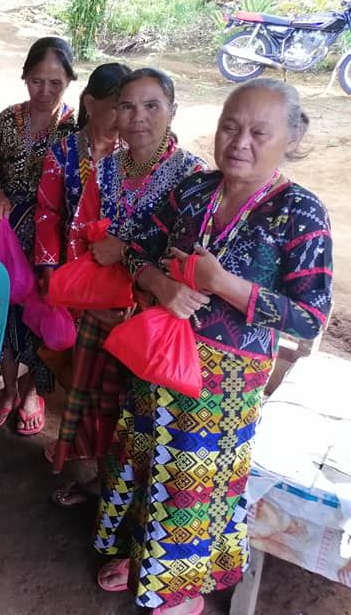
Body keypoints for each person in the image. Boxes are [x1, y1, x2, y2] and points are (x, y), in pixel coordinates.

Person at [94, 79, 333, 615]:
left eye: (258, 133)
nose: (240, 142)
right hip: (159, 359)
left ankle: (181, 592)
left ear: (291, 138)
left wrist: (224, 284)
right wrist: (161, 285)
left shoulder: (300, 213)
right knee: (143, 459)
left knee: (193, 485)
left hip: (221, 389)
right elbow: (135, 249)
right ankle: (139, 558)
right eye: (230, 126)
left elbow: (310, 316)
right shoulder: (195, 190)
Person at [49, 67, 205, 505]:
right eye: (128, 106)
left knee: (138, 416)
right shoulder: (108, 169)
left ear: (173, 110)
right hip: (102, 307)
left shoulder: (192, 176)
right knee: (100, 405)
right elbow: (82, 234)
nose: (138, 117)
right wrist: (89, 300)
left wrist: (126, 254)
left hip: (152, 318)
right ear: (114, 112)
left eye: (152, 105)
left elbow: (188, 256)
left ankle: (131, 508)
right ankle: (101, 487)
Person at [32, 62, 131, 495]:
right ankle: (77, 455)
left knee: (106, 378)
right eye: (118, 106)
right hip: (72, 277)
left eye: (132, 107)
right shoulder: (65, 152)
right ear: (91, 102)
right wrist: (48, 268)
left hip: (116, 286)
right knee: (73, 365)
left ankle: (92, 463)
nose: (126, 117)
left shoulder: (132, 156)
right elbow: (48, 212)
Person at [0, 36, 77, 436]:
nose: (45, 90)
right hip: (8, 234)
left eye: (55, 83)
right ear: (25, 77)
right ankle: (9, 389)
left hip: (51, 242)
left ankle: (32, 392)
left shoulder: (74, 129)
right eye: (37, 81)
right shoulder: (7, 121)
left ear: (69, 81)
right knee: (2, 310)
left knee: (41, 316)